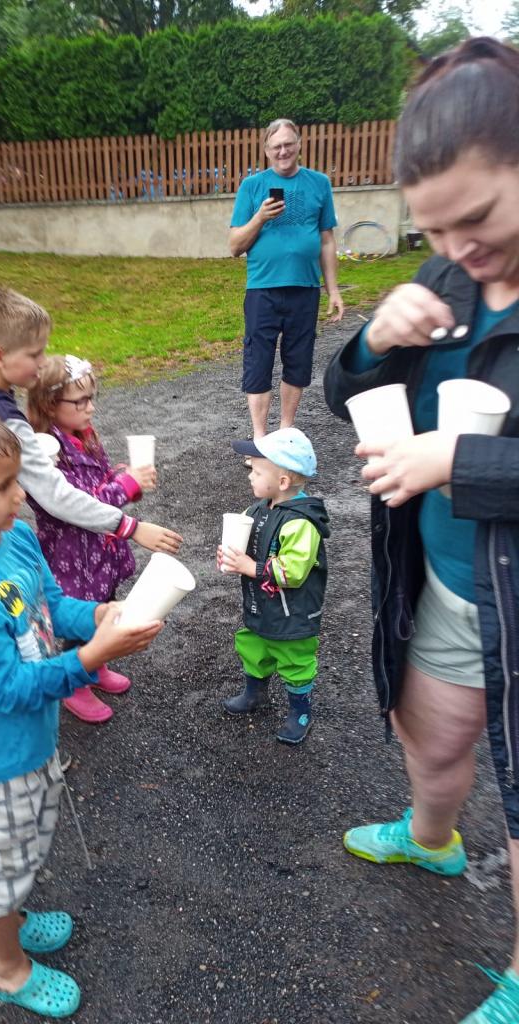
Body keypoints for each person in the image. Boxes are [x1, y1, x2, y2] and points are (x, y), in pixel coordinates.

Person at [323, 37, 519, 1022]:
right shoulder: (448, 280)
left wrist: (460, 461)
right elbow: (342, 397)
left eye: (475, 219)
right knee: (431, 737)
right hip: (447, 574)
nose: (455, 248)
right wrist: (371, 339)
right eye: (432, 229)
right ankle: (432, 838)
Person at [0, 408, 163, 1018]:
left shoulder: (16, 537)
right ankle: (5, 965)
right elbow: (4, 690)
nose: (20, 496)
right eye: (2, 487)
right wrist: (90, 658)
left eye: (19, 480)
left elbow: (50, 604)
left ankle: (7, 919)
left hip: (23, 739)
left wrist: (96, 617)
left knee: (20, 847)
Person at [0, 285, 180, 559]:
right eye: (35, 354)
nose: (43, 363)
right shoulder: (6, 420)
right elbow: (55, 495)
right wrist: (131, 527)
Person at [26, 353, 154, 724]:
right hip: (72, 555)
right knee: (80, 618)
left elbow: (102, 478)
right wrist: (125, 485)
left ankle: (96, 665)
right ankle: (75, 684)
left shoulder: (84, 436)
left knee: (104, 602)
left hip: (100, 549)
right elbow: (81, 502)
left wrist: (126, 476)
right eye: (80, 401)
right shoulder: (46, 452)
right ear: (50, 405)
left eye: (91, 398)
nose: (90, 408)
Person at [229, 118, 344, 438]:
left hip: (305, 290)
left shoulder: (319, 183)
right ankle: (260, 438)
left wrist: (333, 290)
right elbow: (234, 246)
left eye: (288, 144)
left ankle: (286, 434)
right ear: (266, 150)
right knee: (258, 362)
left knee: (298, 361)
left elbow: (326, 240)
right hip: (262, 290)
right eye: (276, 146)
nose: (283, 151)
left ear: (299, 144)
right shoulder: (252, 187)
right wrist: (260, 217)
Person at [218, 428, 329, 744]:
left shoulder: (301, 522)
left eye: (256, 471)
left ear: (282, 482)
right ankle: (255, 693)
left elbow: (294, 571)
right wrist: (231, 554)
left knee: (295, 659)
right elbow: (244, 543)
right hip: (261, 604)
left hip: (293, 612)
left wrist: (250, 567)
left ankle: (300, 711)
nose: (249, 476)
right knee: (254, 646)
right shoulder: (257, 509)